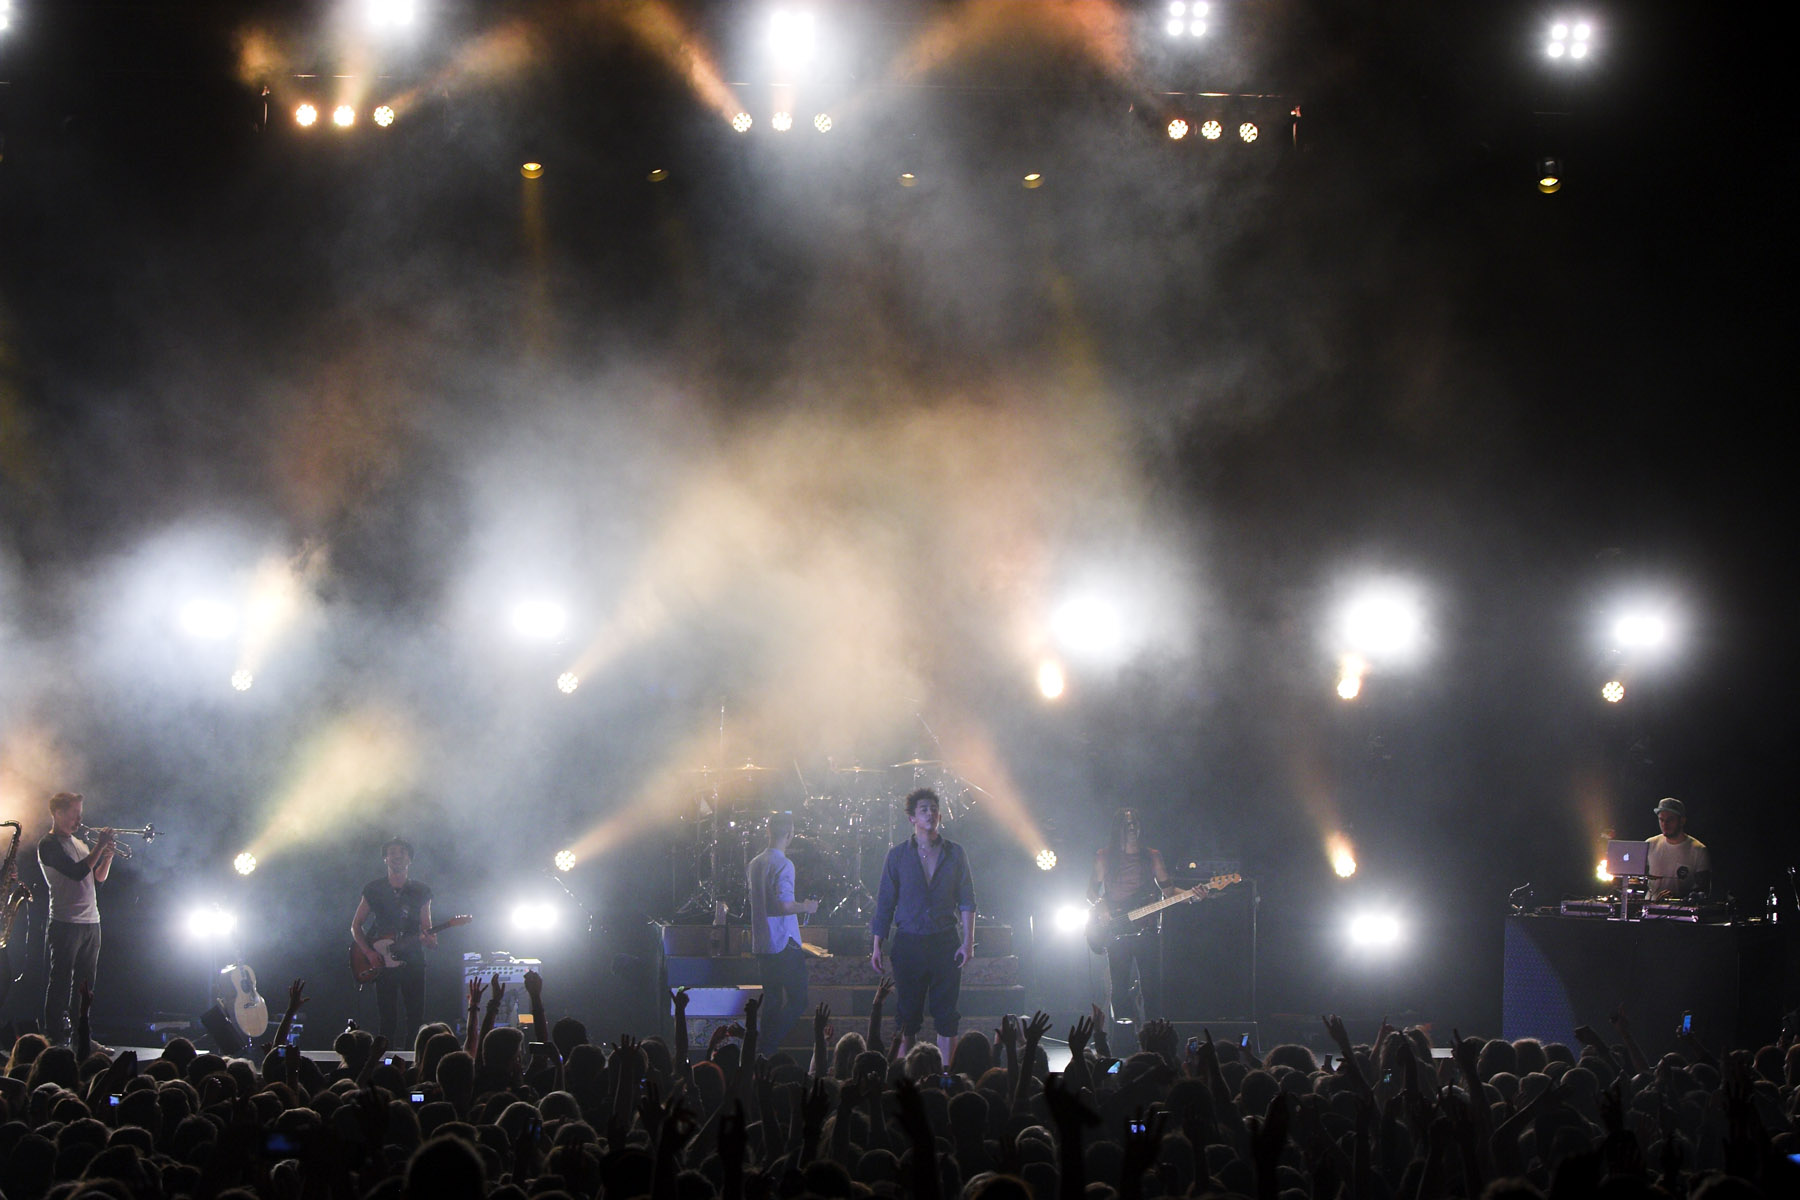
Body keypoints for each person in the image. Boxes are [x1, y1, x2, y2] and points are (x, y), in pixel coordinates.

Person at [870, 787, 976, 1061]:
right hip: (909, 942)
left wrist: (968, 942)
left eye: (934, 809)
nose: (930, 814)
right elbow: (885, 902)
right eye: (924, 809)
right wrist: (877, 945)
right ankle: (905, 1075)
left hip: (944, 940)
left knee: (947, 1014)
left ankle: (946, 1075)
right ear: (912, 818)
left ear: (940, 815)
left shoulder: (955, 853)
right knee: (907, 1015)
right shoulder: (898, 856)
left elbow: (967, 900)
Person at [36, 791, 116, 1046]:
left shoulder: (79, 843)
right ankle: (55, 1039)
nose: (79, 820)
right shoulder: (48, 845)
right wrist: (100, 846)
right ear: (58, 813)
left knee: (85, 987)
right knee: (60, 983)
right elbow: (76, 872)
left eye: (80, 814)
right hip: (65, 923)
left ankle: (83, 1038)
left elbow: (96, 880)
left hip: (91, 922)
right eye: (74, 814)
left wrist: (107, 857)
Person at [1087, 808, 1171, 1039]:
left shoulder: (1152, 856)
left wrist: (1193, 895)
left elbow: (1169, 891)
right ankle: (1124, 1039)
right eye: (1127, 823)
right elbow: (1091, 891)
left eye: (1135, 823)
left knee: (1151, 987)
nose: (1132, 827)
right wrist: (1101, 906)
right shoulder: (1104, 856)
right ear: (1118, 828)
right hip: (1117, 930)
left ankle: (1154, 1037)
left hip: (1146, 929)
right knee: (1120, 987)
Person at [351, 837, 437, 1043]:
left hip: (413, 959)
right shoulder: (374, 889)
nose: (397, 856)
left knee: (415, 1018)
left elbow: (427, 928)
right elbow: (356, 925)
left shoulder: (421, 891)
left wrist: (430, 940)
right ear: (385, 858)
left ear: (409, 859)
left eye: (402, 852)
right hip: (382, 960)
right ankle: (382, 1059)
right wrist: (369, 952)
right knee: (387, 1018)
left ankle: (413, 1059)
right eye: (392, 852)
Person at [746, 811, 819, 1050]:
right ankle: (767, 1046)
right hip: (783, 943)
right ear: (790, 834)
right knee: (798, 1000)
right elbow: (783, 905)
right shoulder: (784, 864)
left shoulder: (755, 863)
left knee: (773, 1000)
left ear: (768, 831)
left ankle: (763, 1053)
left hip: (762, 942)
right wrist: (806, 906)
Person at [1646, 797, 1712, 899]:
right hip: (1649, 907)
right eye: (1661, 820)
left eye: (1670, 820)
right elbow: (1637, 880)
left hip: (1682, 909)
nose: (1664, 824)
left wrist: (1677, 899)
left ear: (1682, 821)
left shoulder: (1698, 850)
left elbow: (1703, 890)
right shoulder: (1649, 844)